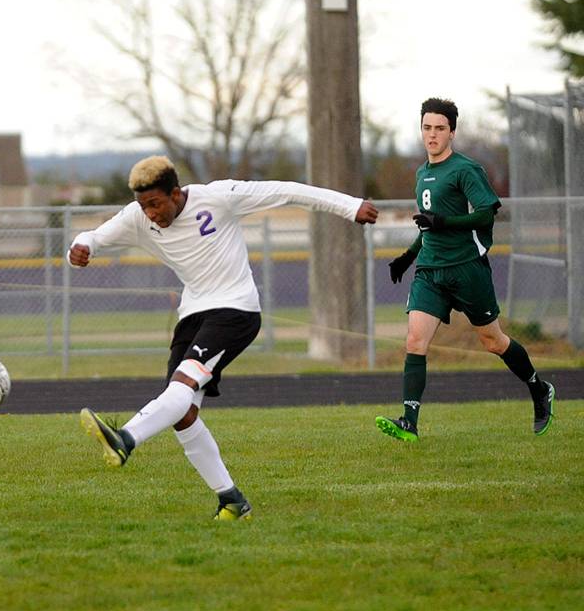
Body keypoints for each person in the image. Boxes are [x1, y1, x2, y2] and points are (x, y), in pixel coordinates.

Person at [70, 155, 379, 520]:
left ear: (175, 193)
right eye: (143, 206)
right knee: (182, 412)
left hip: (235, 310)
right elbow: (93, 235)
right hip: (193, 314)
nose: (150, 213)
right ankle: (231, 499)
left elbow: (288, 191)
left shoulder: (218, 197)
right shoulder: (138, 217)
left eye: (155, 204)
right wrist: (81, 245)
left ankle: (126, 438)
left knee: (182, 386)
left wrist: (350, 206)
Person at [377, 98, 555, 442]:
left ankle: (539, 389)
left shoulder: (465, 169)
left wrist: (443, 221)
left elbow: (487, 214)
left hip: (467, 269)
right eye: (427, 127)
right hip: (431, 271)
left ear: (452, 132)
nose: (432, 135)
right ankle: (409, 422)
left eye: (440, 128)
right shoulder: (421, 173)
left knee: (493, 341)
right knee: (415, 340)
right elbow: (428, 226)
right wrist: (408, 256)